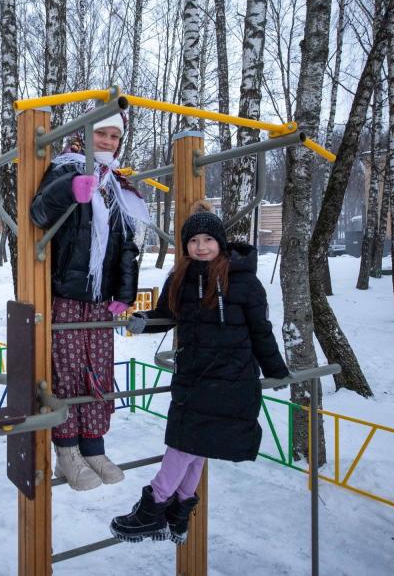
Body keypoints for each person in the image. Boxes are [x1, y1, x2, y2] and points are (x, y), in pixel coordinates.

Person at [109, 204, 290, 544]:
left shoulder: (243, 281)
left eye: (208, 239)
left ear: (221, 242)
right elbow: (167, 315)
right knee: (195, 445)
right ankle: (177, 513)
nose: (201, 246)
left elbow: (261, 330)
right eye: (193, 240)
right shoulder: (180, 277)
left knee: (184, 443)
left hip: (230, 378)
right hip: (193, 374)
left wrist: (276, 370)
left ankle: (154, 506)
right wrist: (144, 321)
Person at [29, 111, 150, 491]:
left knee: (98, 372)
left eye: (115, 136)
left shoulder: (117, 187)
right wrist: (71, 190)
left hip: (100, 300)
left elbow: (127, 247)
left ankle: (94, 447)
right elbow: (38, 212)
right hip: (66, 295)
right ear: (84, 134)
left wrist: (125, 293)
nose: (109, 142)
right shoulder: (64, 170)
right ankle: (67, 451)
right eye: (102, 133)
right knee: (67, 371)